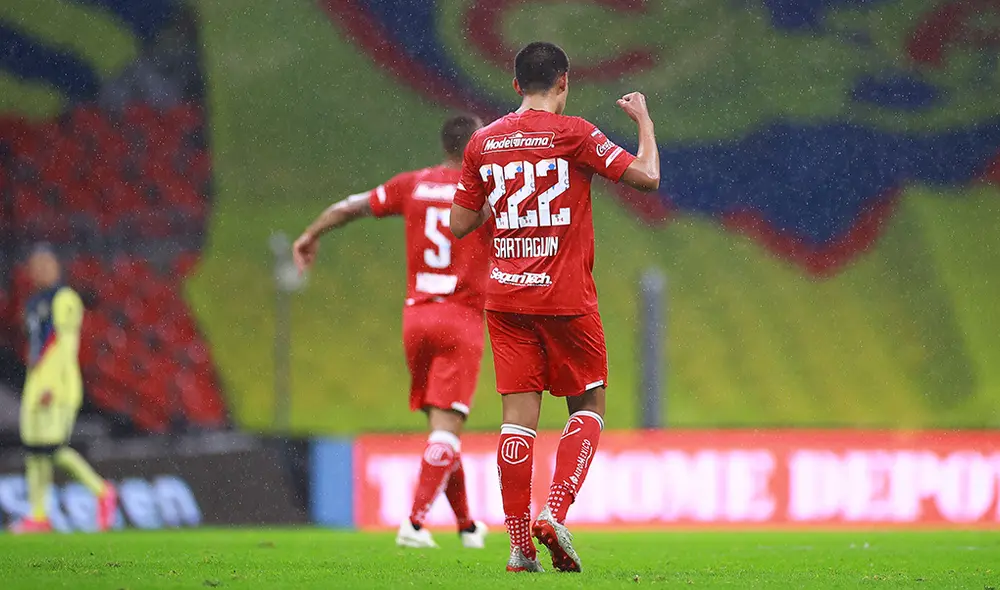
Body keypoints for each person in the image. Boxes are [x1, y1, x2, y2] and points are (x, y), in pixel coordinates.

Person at [450, 41, 660, 572]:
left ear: (515, 84)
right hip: (564, 297)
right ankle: (555, 512)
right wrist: (643, 121)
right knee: (588, 405)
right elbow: (648, 177)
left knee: (517, 421)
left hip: (506, 297)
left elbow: (459, 223)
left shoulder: (483, 141)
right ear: (563, 81)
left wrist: (504, 194)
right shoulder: (575, 134)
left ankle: (519, 546)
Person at [293, 114, 492, 549]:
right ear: (475, 146)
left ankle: (466, 525)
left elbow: (350, 207)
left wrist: (310, 234)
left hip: (416, 321)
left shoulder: (412, 185)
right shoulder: (485, 193)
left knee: (442, 429)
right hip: (459, 320)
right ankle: (415, 525)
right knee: (446, 429)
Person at [11, 245, 118, 534]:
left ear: (57, 267)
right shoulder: (33, 303)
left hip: (57, 385)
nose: (41, 270)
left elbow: (65, 347)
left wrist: (51, 385)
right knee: (34, 451)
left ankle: (102, 491)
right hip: (35, 383)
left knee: (53, 448)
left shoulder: (65, 298)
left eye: (46, 264)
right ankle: (39, 516)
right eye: (36, 265)